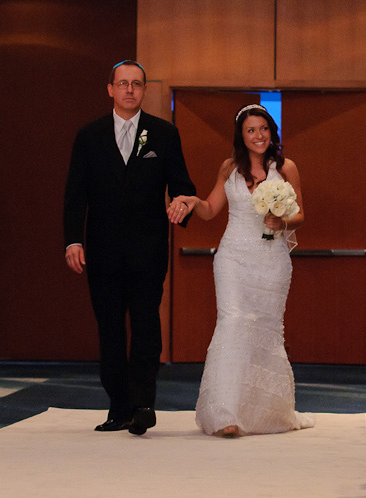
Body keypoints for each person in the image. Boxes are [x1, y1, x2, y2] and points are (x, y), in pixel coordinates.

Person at [63, 60, 196, 435]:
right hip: (102, 251)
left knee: (145, 327)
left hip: (148, 251)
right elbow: (75, 195)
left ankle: (142, 404)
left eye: (136, 84)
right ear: (110, 89)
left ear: (144, 90)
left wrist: (182, 204)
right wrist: (72, 239)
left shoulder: (164, 134)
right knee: (109, 330)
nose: (130, 90)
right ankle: (118, 406)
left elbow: (183, 186)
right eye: (123, 84)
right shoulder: (88, 136)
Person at [167, 104, 314, 438]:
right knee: (233, 322)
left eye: (263, 128)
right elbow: (210, 209)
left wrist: (283, 220)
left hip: (272, 258)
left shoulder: (286, 167)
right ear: (241, 135)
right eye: (251, 130)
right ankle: (224, 413)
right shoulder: (229, 168)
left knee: (265, 327)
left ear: (271, 131)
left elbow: (301, 214)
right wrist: (192, 201)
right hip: (232, 255)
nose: (258, 135)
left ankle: (265, 412)